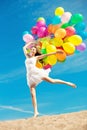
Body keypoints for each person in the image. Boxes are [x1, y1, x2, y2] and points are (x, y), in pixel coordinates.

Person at [23, 41, 76, 117]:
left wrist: (55, 53)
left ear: (35, 52)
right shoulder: (27, 56)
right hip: (30, 76)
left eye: (34, 50)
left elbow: (46, 55)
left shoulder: (36, 57)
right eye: (32, 49)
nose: (33, 50)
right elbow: (24, 48)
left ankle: (68, 83)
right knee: (32, 94)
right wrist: (31, 43)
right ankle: (36, 112)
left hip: (37, 73)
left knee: (52, 81)